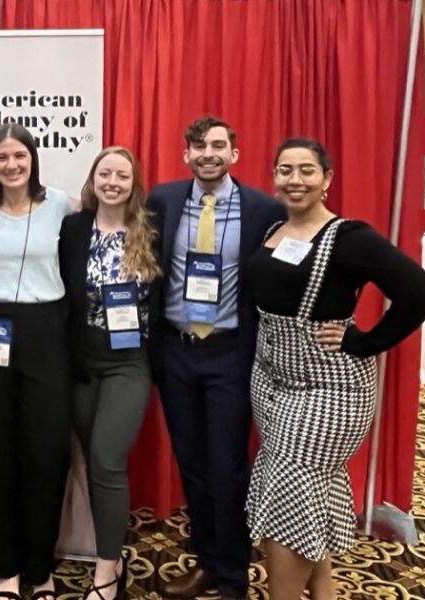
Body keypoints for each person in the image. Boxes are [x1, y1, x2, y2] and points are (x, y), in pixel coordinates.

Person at [245, 138, 425, 599]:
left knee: (290, 495)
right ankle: (325, 592)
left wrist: (367, 341)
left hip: (329, 389)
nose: (295, 179)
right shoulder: (273, 229)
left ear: (327, 179)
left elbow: (420, 290)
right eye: (285, 170)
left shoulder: (350, 238)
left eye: (307, 170)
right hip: (271, 383)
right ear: (274, 178)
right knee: (307, 492)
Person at [147, 116, 285, 600]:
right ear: (186, 153)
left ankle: (232, 574)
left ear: (235, 154)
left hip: (230, 352)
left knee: (226, 465)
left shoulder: (264, 208)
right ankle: (208, 558)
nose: (208, 152)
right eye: (198, 145)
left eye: (218, 145)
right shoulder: (163, 200)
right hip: (176, 353)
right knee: (192, 463)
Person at [0, 123, 73, 600]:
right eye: (1, 157)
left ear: (33, 159)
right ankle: (6, 566)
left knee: (45, 453)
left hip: (46, 329)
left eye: (19, 156)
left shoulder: (60, 205)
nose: (11, 165)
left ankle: (40, 565)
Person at [59, 146, 161, 600]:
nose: (113, 181)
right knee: (88, 456)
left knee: (106, 460)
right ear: (93, 179)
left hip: (129, 361)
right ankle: (111, 551)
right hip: (81, 361)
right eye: (105, 173)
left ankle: (106, 568)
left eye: (122, 174)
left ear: (133, 182)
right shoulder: (73, 227)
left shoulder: (151, 229)